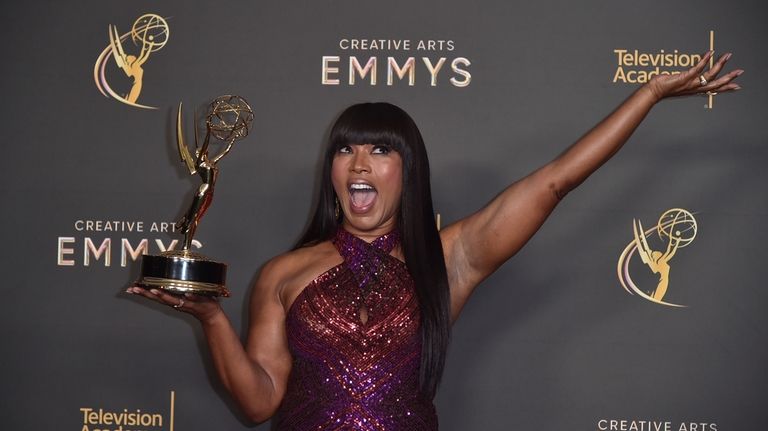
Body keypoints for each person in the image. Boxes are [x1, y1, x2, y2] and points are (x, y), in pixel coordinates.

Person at [127, 51, 741, 430]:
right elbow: (261, 403)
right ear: (332, 170)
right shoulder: (281, 275)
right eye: (346, 148)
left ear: (407, 169)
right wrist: (210, 320)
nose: (359, 162)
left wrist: (649, 94)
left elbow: (557, 181)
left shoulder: (448, 259)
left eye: (380, 148)